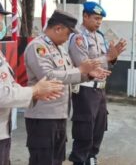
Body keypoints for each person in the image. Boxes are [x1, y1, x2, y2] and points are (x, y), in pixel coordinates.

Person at [24, 9, 110, 165]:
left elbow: (70, 76)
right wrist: (80, 70)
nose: (67, 38)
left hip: (59, 116)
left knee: (56, 160)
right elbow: (48, 76)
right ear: (58, 28)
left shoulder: (60, 50)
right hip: (42, 118)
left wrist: (89, 75)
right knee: (43, 160)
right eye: (68, 33)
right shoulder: (38, 47)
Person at [0, 4, 64, 165]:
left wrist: (34, 93)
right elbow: (2, 95)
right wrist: (34, 90)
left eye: (2, 20)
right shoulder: (37, 46)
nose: (2, 25)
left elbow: (10, 86)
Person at [68, 1, 127, 165]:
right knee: (84, 131)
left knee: (99, 128)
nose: (98, 22)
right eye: (95, 18)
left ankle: (91, 158)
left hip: (100, 90)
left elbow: (107, 63)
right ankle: (80, 160)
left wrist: (113, 56)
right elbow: (84, 66)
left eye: (100, 19)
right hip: (85, 90)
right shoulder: (78, 38)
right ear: (85, 17)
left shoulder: (100, 36)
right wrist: (107, 57)